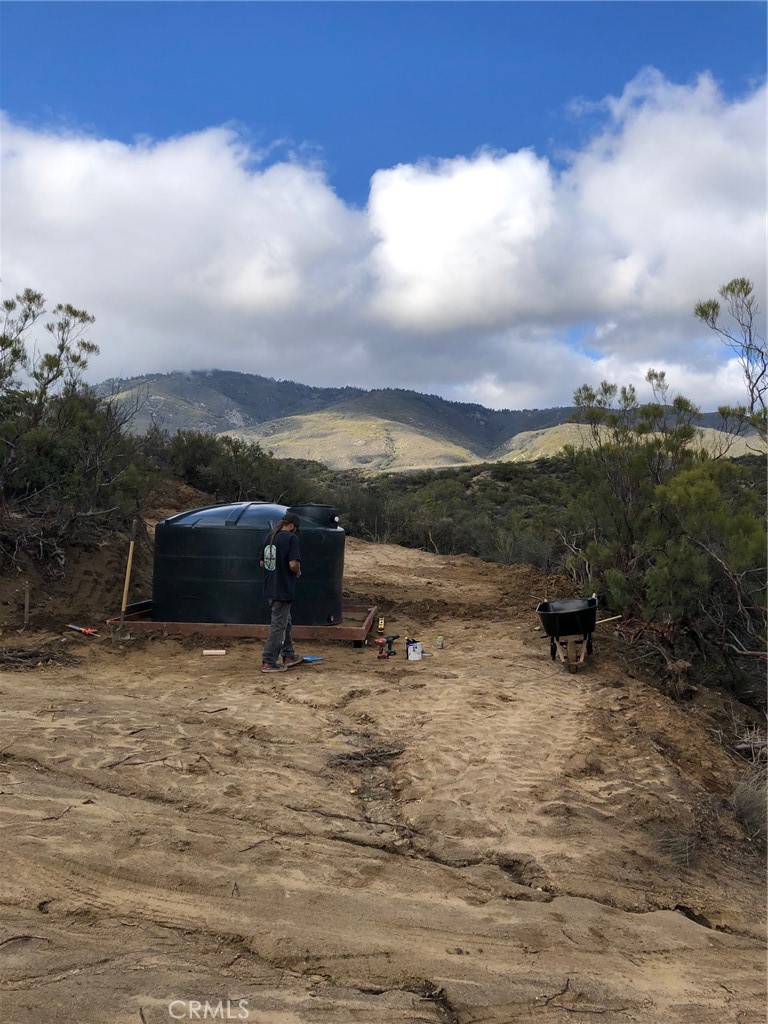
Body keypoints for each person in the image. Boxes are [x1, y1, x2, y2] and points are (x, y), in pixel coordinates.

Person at [259, 512, 304, 673]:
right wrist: (297, 572)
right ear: (292, 525)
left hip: (270, 587)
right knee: (278, 626)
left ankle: (288, 655)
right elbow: (293, 564)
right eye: (295, 529)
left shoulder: (269, 537)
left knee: (287, 620)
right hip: (283, 588)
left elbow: (262, 563)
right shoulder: (291, 539)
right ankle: (268, 661)